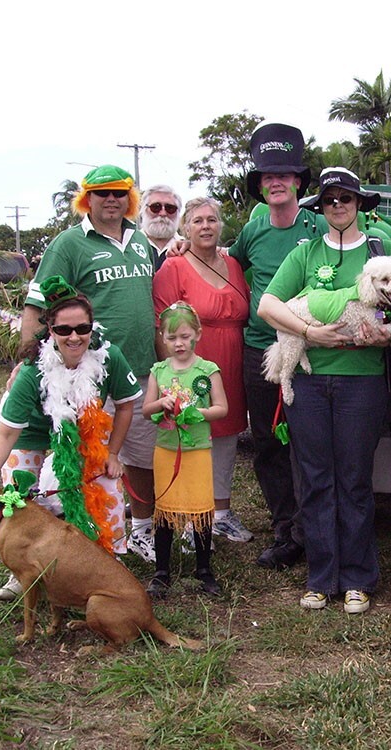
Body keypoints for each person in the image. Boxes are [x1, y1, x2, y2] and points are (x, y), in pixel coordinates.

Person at [258, 167, 391, 614]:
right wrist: (309, 331)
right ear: (319, 208)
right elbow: (267, 304)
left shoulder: (383, 251)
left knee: (356, 479)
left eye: (346, 198)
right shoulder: (305, 253)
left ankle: (359, 578)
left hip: (362, 382)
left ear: (360, 203)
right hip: (309, 380)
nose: (338, 206)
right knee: (316, 478)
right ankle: (321, 578)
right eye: (329, 200)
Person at [21, 165, 159, 566]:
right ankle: (63, 542)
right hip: (87, 377)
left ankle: (142, 532)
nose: (111, 200)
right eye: (102, 193)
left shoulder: (140, 242)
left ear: (129, 198)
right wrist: (29, 360)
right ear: (88, 198)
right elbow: (36, 306)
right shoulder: (68, 244)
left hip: (140, 372)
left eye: (119, 192)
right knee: (81, 462)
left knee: (141, 457)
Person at [0, 276, 139, 562]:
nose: (74, 337)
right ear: (50, 330)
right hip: (31, 428)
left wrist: (113, 454)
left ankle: (108, 557)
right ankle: (24, 560)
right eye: (64, 329)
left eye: (82, 328)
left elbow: (125, 406)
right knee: (17, 490)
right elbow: (6, 432)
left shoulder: (110, 357)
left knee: (107, 481)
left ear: (92, 327)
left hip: (81, 430)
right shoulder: (32, 372)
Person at [230, 122, 327, 570]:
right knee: (269, 443)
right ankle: (284, 530)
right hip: (259, 350)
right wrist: (178, 247)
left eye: (284, 175)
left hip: (308, 350)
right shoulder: (253, 231)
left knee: (307, 442)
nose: (275, 182)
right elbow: (228, 262)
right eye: (267, 177)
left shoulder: (321, 226)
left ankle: (315, 529)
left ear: (298, 182)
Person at [153, 197, 253, 544]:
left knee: (225, 439)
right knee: (191, 439)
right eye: (197, 221)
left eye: (212, 220)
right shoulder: (174, 267)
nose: (206, 226)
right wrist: (171, 377)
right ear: (185, 229)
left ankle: (221, 513)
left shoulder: (234, 265)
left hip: (231, 365)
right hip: (190, 366)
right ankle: (187, 517)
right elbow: (161, 325)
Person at [143, 303, 228, 599]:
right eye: (171, 338)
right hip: (166, 450)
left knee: (201, 510)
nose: (179, 343)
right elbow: (146, 409)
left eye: (184, 336)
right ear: (163, 339)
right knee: (164, 510)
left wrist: (196, 412)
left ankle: (204, 569)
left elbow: (222, 408)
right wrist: (161, 405)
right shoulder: (158, 371)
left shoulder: (208, 370)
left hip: (197, 452)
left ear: (197, 335)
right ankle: (161, 571)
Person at [141, 185, 183, 272]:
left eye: (170, 208)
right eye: (156, 207)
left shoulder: (188, 249)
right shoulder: (129, 246)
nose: (163, 213)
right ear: (143, 210)